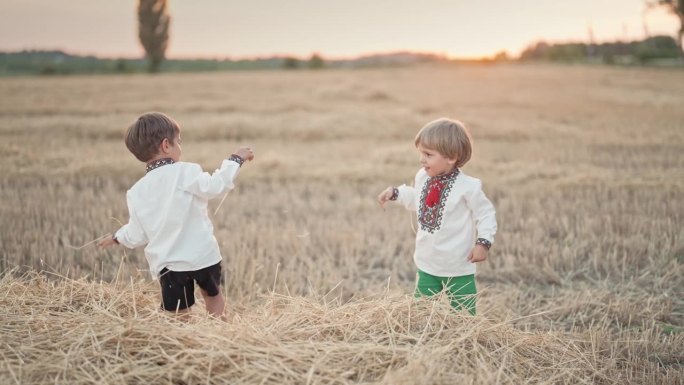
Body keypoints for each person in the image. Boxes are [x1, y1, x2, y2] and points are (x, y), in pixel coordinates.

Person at [98, 112, 254, 320]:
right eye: (178, 142)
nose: (180, 147)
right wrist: (235, 160)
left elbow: (137, 233)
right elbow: (216, 186)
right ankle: (222, 336)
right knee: (213, 297)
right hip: (203, 255)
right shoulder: (186, 172)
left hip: (169, 265)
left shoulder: (136, 192)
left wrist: (117, 237)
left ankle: (184, 346)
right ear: (166, 145)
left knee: (178, 313)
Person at [377, 118, 496, 315]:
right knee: (420, 314)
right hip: (428, 262)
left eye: (428, 154)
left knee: (464, 316)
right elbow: (418, 199)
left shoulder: (467, 187)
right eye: (421, 153)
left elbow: (486, 214)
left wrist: (483, 243)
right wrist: (396, 193)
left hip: (458, 266)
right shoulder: (423, 177)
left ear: (451, 157)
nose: (422, 159)